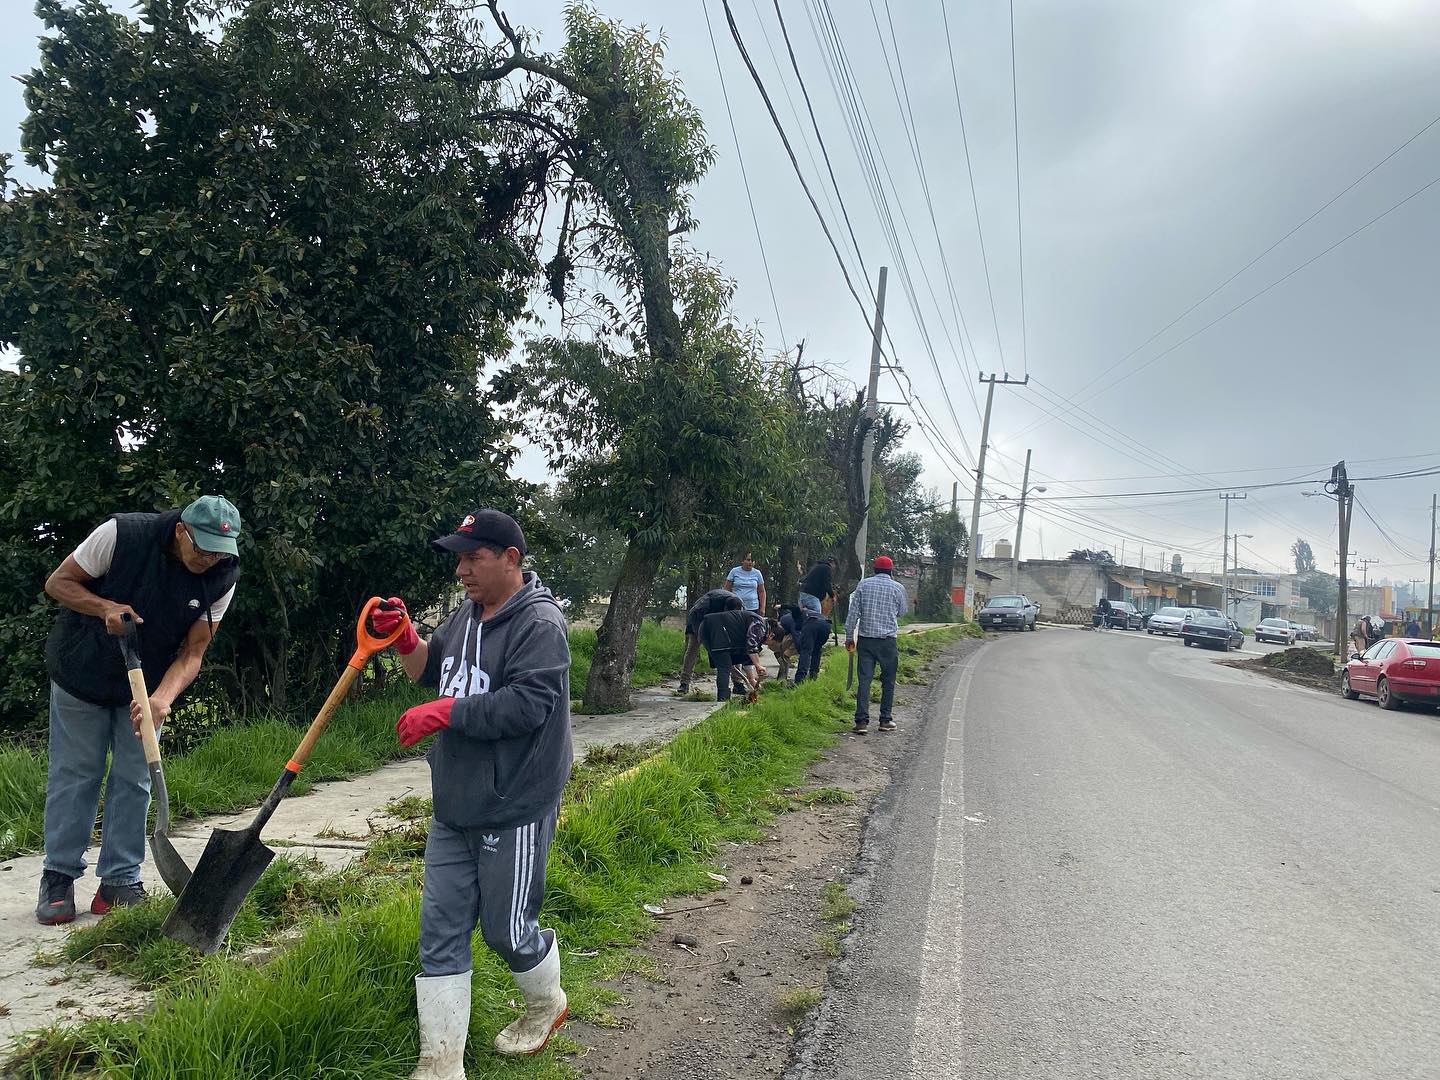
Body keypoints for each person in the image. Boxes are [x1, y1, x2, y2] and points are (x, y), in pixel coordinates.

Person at [374, 508, 573, 1072]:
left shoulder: (540, 625)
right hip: (454, 803)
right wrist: (405, 637)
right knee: (438, 933)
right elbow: (431, 670)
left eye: (473, 557)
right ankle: (440, 1064)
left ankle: (545, 1003)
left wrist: (444, 712)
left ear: (511, 559)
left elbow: (528, 706)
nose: (461, 569)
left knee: (507, 932)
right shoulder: (465, 616)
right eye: (459, 558)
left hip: (513, 804)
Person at [36, 496, 242, 925]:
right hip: (83, 672)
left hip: (146, 681)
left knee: (135, 776)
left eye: (219, 552)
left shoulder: (223, 576)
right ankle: (58, 877)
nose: (209, 560)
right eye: (202, 549)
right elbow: (58, 583)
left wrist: (162, 698)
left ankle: (120, 881)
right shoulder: (122, 534)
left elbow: (193, 651)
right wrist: (105, 607)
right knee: (77, 774)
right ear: (181, 531)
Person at [844, 555, 909, 733]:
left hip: (866, 641)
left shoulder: (863, 585)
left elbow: (853, 614)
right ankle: (885, 720)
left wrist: (849, 636)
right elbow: (903, 612)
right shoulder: (898, 588)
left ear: (874, 570)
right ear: (891, 571)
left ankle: (861, 722)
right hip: (888, 642)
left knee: (864, 680)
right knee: (888, 681)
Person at [677, 587, 743, 695]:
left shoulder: (739, 605)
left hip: (718, 623)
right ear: (725, 607)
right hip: (698, 620)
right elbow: (694, 615)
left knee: (733, 649)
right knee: (693, 648)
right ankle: (684, 683)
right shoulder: (707, 603)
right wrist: (701, 636)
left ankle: (738, 683)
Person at [699, 603, 757, 702]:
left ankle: (724, 696)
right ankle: (723, 698)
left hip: (705, 629)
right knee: (724, 667)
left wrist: (751, 679)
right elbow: (750, 650)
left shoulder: (738, 620)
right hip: (715, 634)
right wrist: (756, 670)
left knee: (724, 665)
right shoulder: (751, 623)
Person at [792, 605, 831, 684]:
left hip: (812, 624)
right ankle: (813, 676)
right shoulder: (812, 612)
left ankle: (799, 680)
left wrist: (800, 646)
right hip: (826, 625)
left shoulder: (798, 615)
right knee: (817, 650)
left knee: (806, 651)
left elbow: (797, 629)